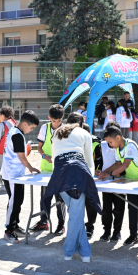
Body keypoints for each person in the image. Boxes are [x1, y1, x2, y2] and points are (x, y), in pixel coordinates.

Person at [43, 112, 101, 262]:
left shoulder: (57, 132)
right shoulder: (84, 132)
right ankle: (70, 252)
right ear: (81, 124)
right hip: (77, 175)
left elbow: (55, 159)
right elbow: (89, 162)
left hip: (59, 177)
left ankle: (84, 251)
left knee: (75, 215)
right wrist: (90, 181)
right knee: (76, 216)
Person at [99, 124, 138, 247]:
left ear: (118, 137)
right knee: (132, 209)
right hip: (131, 181)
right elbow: (118, 163)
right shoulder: (118, 148)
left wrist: (109, 174)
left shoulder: (130, 145)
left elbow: (125, 165)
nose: (110, 145)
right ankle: (134, 235)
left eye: (110, 142)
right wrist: (104, 172)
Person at [1, 110, 41, 243]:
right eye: (31, 127)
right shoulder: (17, 135)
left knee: (18, 201)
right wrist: (31, 168)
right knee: (14, 202)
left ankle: (15, 226)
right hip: (13, 174)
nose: (31, 130)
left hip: (14, 173)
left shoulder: (14, 131)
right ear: (24, 123)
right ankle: (9, 230)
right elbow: (22, 157)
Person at [30, 104, 67, 235]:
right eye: (53, 121)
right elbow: (39, 147)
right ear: (49, 118)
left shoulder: (66, 130)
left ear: (62, 118)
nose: (56, 124)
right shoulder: (44, 128)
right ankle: (44, 222)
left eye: (58, 121)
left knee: (60, 199)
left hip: (61, 171)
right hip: (46, 170)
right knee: (45, 197)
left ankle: (61, 225)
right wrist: (45, 156)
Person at [88, 121, 125, 242]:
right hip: (106, 182)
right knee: (107, 209)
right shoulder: (102, 146)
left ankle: (117, 232)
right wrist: (98, 171)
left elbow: (122, 164)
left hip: (120, 182)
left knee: (119, 208)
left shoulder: (123, 146)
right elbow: (97, 163)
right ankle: (107, 231)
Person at [0, 106, 16, 173]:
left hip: (1, 150)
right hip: (11, 150)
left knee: (0, 168)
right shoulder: (13, 123)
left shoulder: (2, 125)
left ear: (2, 115)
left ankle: (2, 182)